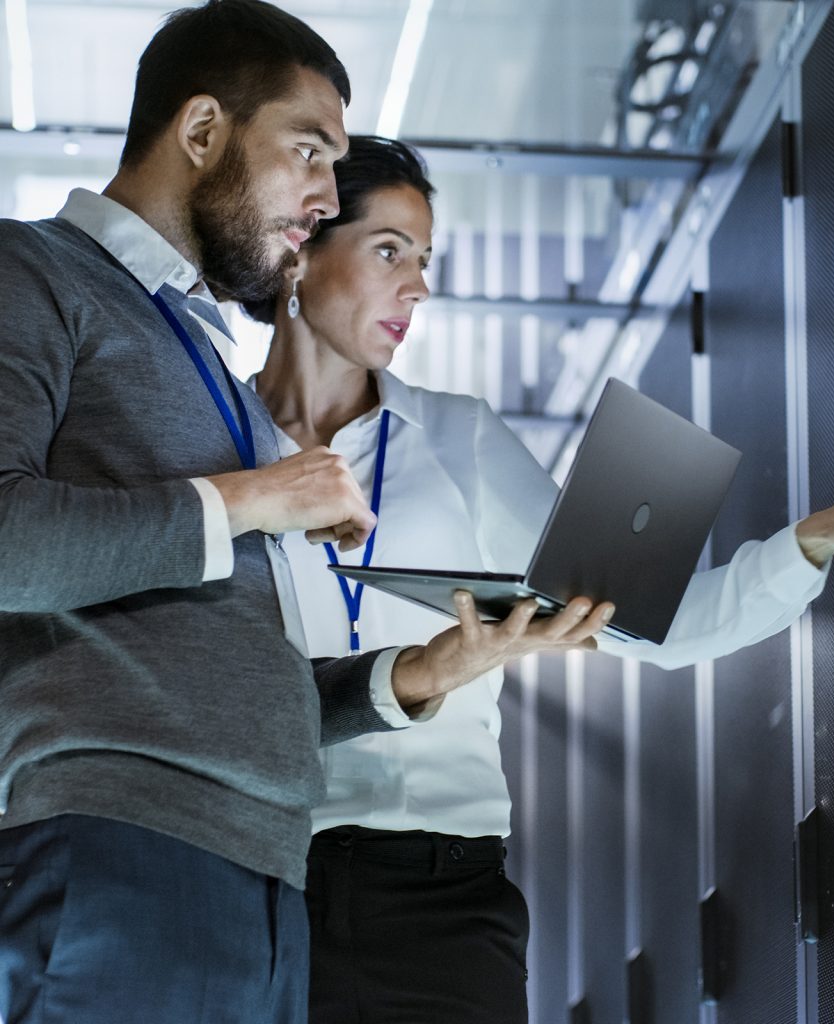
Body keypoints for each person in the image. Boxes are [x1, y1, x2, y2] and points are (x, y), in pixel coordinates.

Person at [247, 134, 834, 1024]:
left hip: (441, 897)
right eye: (388, 251)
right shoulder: (214, 447)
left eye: (426, 260)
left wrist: (815, 541)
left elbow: (654, 626)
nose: (419, 286)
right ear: (303, 248)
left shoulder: (461, 440)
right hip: (259, 882)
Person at [0, 7, 613, 1024]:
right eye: (308, 151)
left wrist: (417, 675)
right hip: (121, 855)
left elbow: (239, 671)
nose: (323, 194)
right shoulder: (32, 274)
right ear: (202, 133)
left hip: (266, 888)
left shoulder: (212, 372)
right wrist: (255, 497)